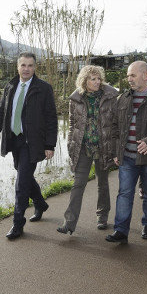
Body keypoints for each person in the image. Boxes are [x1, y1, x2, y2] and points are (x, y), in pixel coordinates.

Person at [0, 52, 58, 240]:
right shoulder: (10, 86)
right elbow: (1, 111)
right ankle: (40, 203)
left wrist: (50, 144)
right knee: (23, 174)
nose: (27, 69)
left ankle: (18, 223)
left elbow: (51, 118)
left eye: (30, 66)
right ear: (17, 67)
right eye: (23, 65)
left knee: (21, 183)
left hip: (32, 142)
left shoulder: (43, 88)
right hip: (14, 139)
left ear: (35, 68)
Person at [105, 61, 147, 244]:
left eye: (132, 75)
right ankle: (121, 230)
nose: (129, 79)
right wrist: (115, 152)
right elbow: (114, 127)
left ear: (145, 75)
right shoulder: (123, 98)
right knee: (124, 193)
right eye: (128, 76)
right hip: (127, 157)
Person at [58, 65, 119, 234]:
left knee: (102, 183)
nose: (97, 82)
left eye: (99, 78)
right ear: (84, 80)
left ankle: (102, 216)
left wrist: (114, 148)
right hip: (83, 147)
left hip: (103, 147)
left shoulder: (110, 97)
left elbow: (116, 123)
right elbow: (72, 125)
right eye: (93, 79)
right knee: (78, 184)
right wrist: (71, 143)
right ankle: (69, 223)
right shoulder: (75, 99)